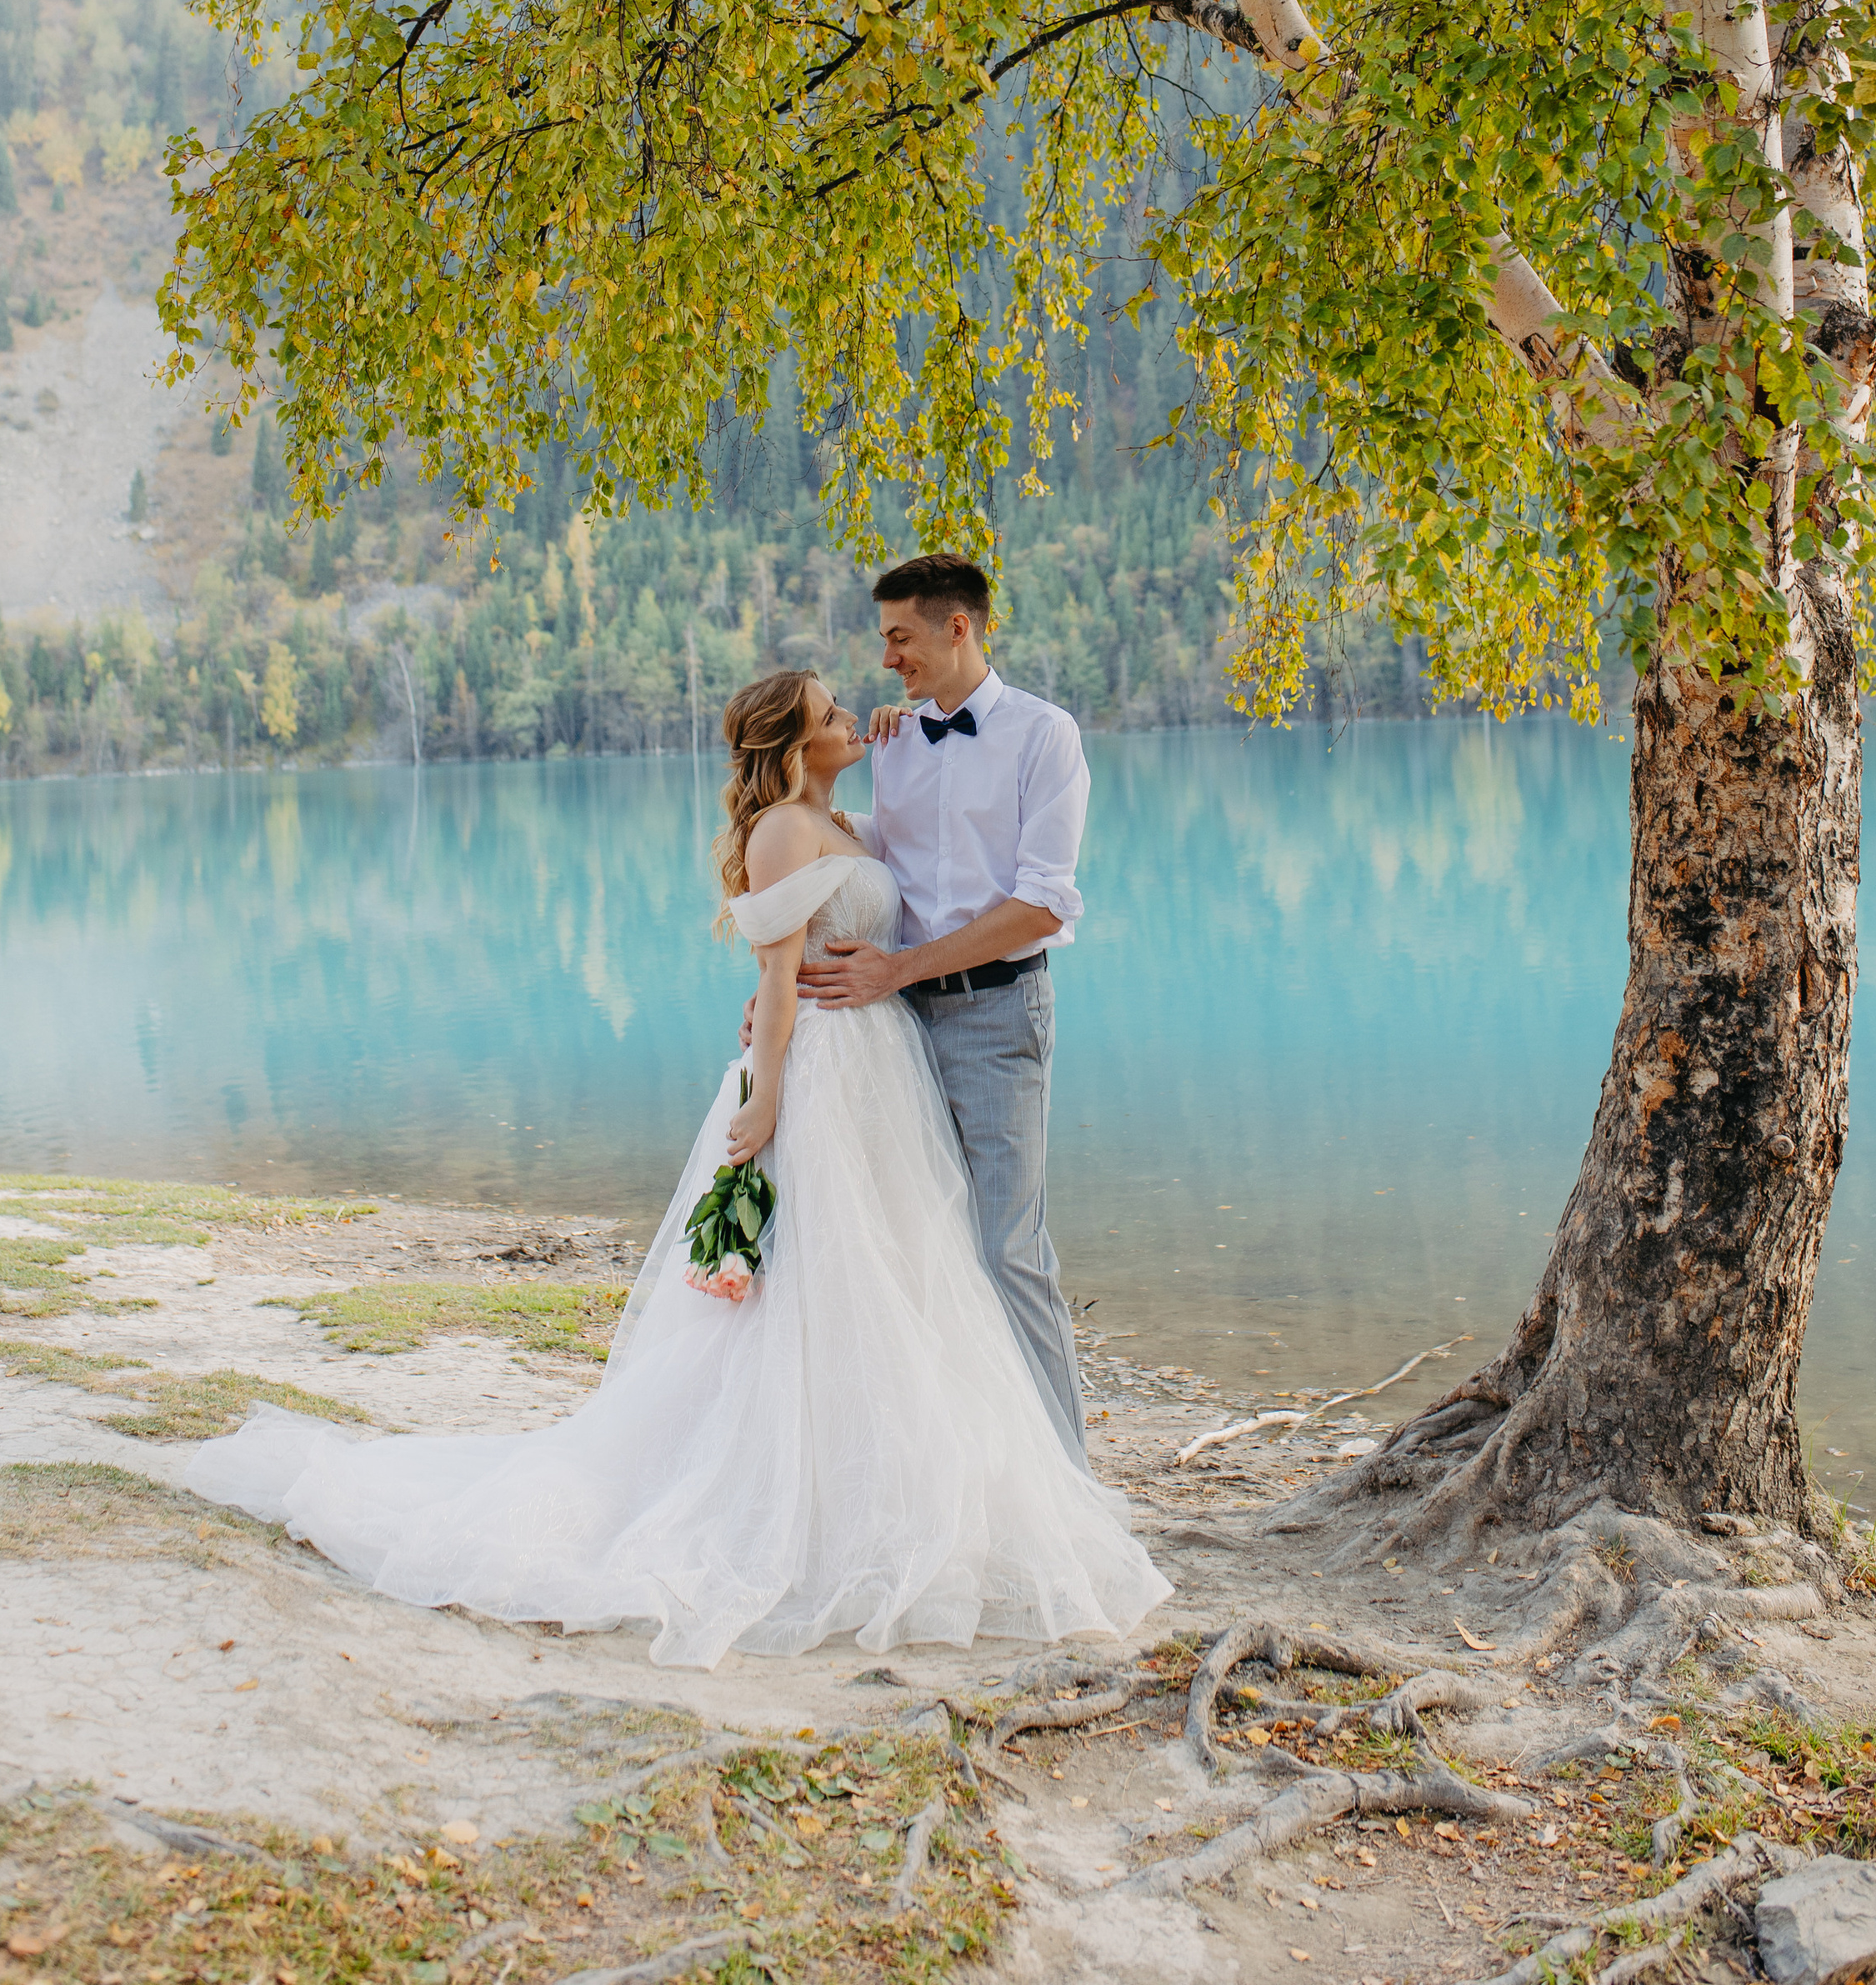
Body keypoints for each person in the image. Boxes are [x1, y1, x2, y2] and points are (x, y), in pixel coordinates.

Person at [180, 669, 1168, 1669]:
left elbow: (907, 882)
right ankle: (800, 1500)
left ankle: (931, 1485)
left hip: (881, 1068)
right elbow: (777, 980)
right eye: (828, 712)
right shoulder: (785, 828)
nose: (848, 714)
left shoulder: (843, 822)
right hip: (822, 1077)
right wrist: (768, 1094)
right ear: (793, 743)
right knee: (820, 1283)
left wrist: (890, 753)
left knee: (897, 1275)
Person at [798, 552, 1093, 1464]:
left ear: (956, 627)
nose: (887, 658)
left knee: (1007, 1253)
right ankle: (959, 1477)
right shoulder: (892, 741)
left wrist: (899, 970)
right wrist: (783, 994)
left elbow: (1043, 903)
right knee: (912, 1251)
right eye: (884, 639)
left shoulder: (1045, 737)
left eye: (900, 637)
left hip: (997, 1018)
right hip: (891, 1034)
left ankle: (1066, 1487)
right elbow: (867, 868)